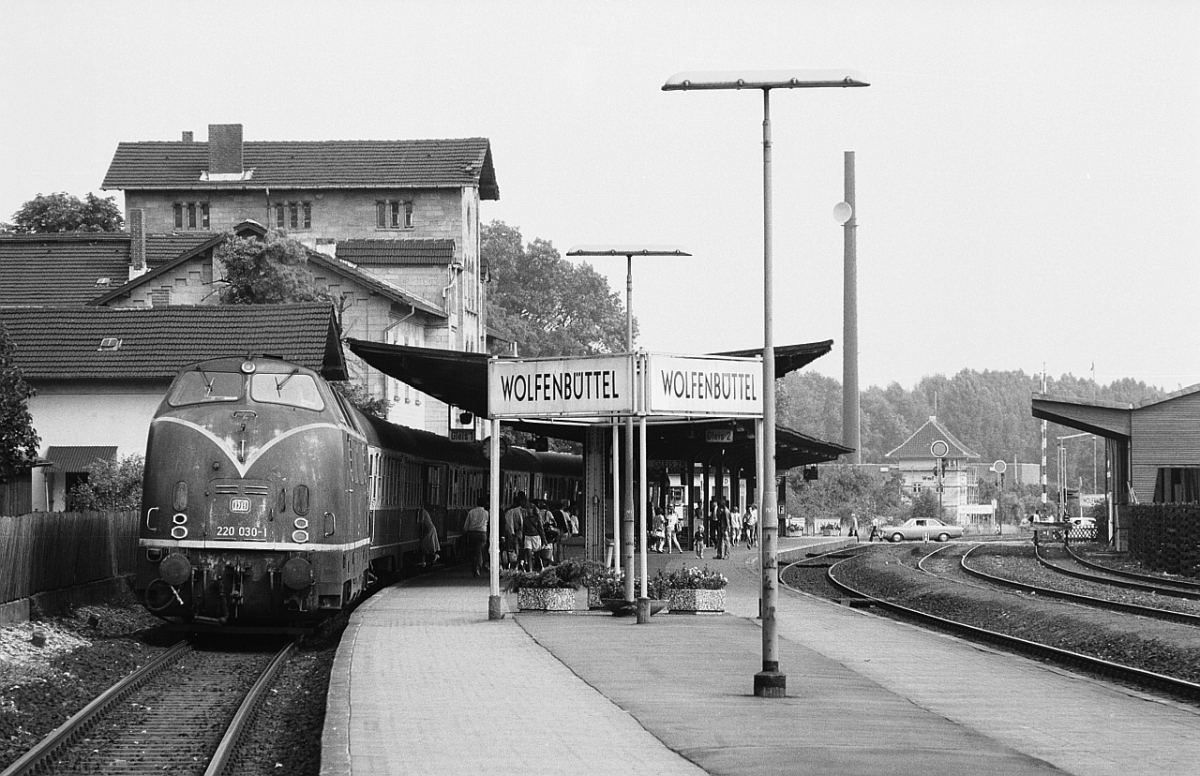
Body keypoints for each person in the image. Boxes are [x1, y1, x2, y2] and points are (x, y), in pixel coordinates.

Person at [463, 496, 489, 577]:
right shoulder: (486, 513)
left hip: (472, 533)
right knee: (480, 550)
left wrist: (465, 531)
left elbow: (466, 524)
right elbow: (488, 523)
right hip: (482, 533)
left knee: (473, 550)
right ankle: (479, 566)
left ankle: (474, 566)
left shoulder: (471, 512)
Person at [501, 493, 527, 570]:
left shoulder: (510, 511)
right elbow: (522, 522)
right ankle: (520, 563)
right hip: (521, 532)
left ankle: (514, 565)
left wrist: (510, 532)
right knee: (521, 548)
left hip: (513, 533)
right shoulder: (522, 511)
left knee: (514, 550)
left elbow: (508, 524)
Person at [521, 498, 547, 571]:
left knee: (537, 555)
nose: (528, 510)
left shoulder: (537, 518)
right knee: (528, 553)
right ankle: (530, 570)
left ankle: (540, 566)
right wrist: (523, 539)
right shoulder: (525, 519)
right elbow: (524, 529)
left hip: (536, 537)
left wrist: (544, 539)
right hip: (528, 537)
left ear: (533, 510)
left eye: (529, 509)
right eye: (527, 509)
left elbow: (541, 529)